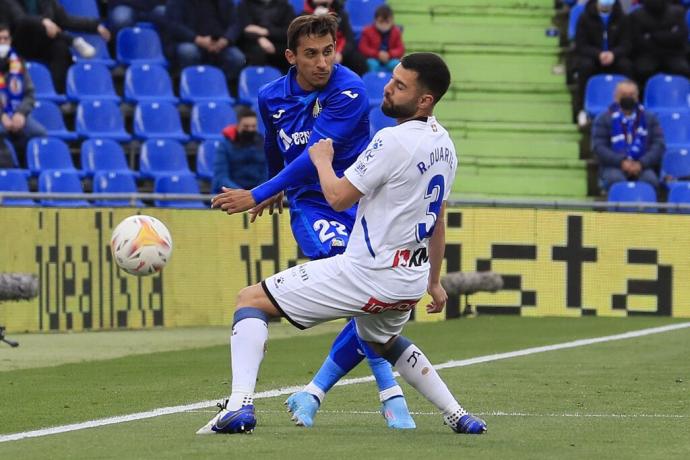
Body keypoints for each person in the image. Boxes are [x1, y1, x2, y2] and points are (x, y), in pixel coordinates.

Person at [200, 52, 487, 436]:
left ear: (425, 100)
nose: (387, 87)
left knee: (250, 300)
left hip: (367, 273)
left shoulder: (391, 140)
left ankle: (239, 405)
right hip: (410, 280)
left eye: (400, 85)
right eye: (391, 78)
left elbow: (336, 198)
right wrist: (434, 281)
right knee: (383, 340)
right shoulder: (445, 145)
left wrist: (321, 159)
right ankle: (457, 414)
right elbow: (439, 221)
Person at [206, 14, 416, 430]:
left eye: (328, 52)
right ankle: (388, 392)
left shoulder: (351, 89)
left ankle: (350, 390)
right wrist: (275, 186)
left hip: (362, 202)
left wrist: (259, 192)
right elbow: (275, 143)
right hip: (313, 205)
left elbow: (311, 154)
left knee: (370, 297)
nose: (322, 63)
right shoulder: (270, 96)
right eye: (311, 55)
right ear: (291, 57)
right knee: (363, 287)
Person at [2, 0, 111, 93]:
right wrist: (43, 21)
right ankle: (72, 41)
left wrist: (95, 26)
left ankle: (57, 93)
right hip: (17, 44)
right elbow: (20, 20)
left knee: (60, 48)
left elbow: (66, 20)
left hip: (43, 42)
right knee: (36, 26)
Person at [591, 79, 665, 191]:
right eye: (624, 95)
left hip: (643, 166)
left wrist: (641, 163)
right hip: (613, 166)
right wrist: (621, 162)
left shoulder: (650, 118)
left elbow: (658, 145)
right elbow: (599, 147)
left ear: (637, 97)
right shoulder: (603, 119)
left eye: (631, 95)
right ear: (615, 96)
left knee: (650, 181)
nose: (628, 98)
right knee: (617, 182)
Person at [572, 0, 633, 127]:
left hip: (614, 57)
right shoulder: (585, 18)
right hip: (593, 57)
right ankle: (581, 110)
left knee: (627, 67)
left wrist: (613, 54)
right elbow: (581, 45)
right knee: (585, 67)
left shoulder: (623, 19)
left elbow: (627, 44)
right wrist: (598, 54)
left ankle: (629, 108)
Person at [164, 0, 246, 82]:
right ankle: (191, 84)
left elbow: (235, 23)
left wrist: (226, 39)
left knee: (238, 58)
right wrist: (197, 39)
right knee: (189, 52)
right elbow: (174, 25)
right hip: (189, 41)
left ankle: (219, 85)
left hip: (219, 43)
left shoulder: (225, 2)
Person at [0, 24, 47, 160]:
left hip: (17, 113)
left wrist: (20, 113)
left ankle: (31, 172)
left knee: (40, 133)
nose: (3, 42)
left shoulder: (18, 64)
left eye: (5, 39)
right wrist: (2, 116)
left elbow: (30, 94)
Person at [629, 0, 690, 87]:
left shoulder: (677, 12)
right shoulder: (636, 15)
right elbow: (639, 41)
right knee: (642, 70)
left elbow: (681, 35)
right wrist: (669, 34)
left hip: (674, 53)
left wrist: (652, 35)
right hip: (648, 54)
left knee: (683, 69)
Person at [302, 0, 367, 76]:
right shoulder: (303, 17)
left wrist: (341, 54)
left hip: (338, 52)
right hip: (314, 52)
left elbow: (349, 39)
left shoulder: (341, 14)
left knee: (359, 61)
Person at [212, 107, 267, 193]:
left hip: (259, 196)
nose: (250, 129)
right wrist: (242, 194)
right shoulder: (224, 145)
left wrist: (256, 194)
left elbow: (267, 174)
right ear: (237, 126)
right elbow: (221, 178)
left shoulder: (263, 144)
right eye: (246, 126)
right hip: (230, 195)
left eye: (253, 126)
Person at [236, 0, 295, 74]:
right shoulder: (245, 4)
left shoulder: (284, 5)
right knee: (257, 51)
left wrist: (267, 31)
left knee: (292, 51)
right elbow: (245, 29)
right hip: (253, 42)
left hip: (279, 42)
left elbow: (289, 30)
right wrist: (259, 38)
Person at [358, 4, 405, 73]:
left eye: (387, 22)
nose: (384, 25)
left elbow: (400, 48)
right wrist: (377, 54)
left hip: (389, 58)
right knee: (372, 64)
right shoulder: (367, 31)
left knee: (395, 64)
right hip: (373, 58)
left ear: (392, 21)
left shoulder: (396, 31)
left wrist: (389, 54)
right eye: (381, 21)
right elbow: (363, 47)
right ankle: (373, 82)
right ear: (375, 20)